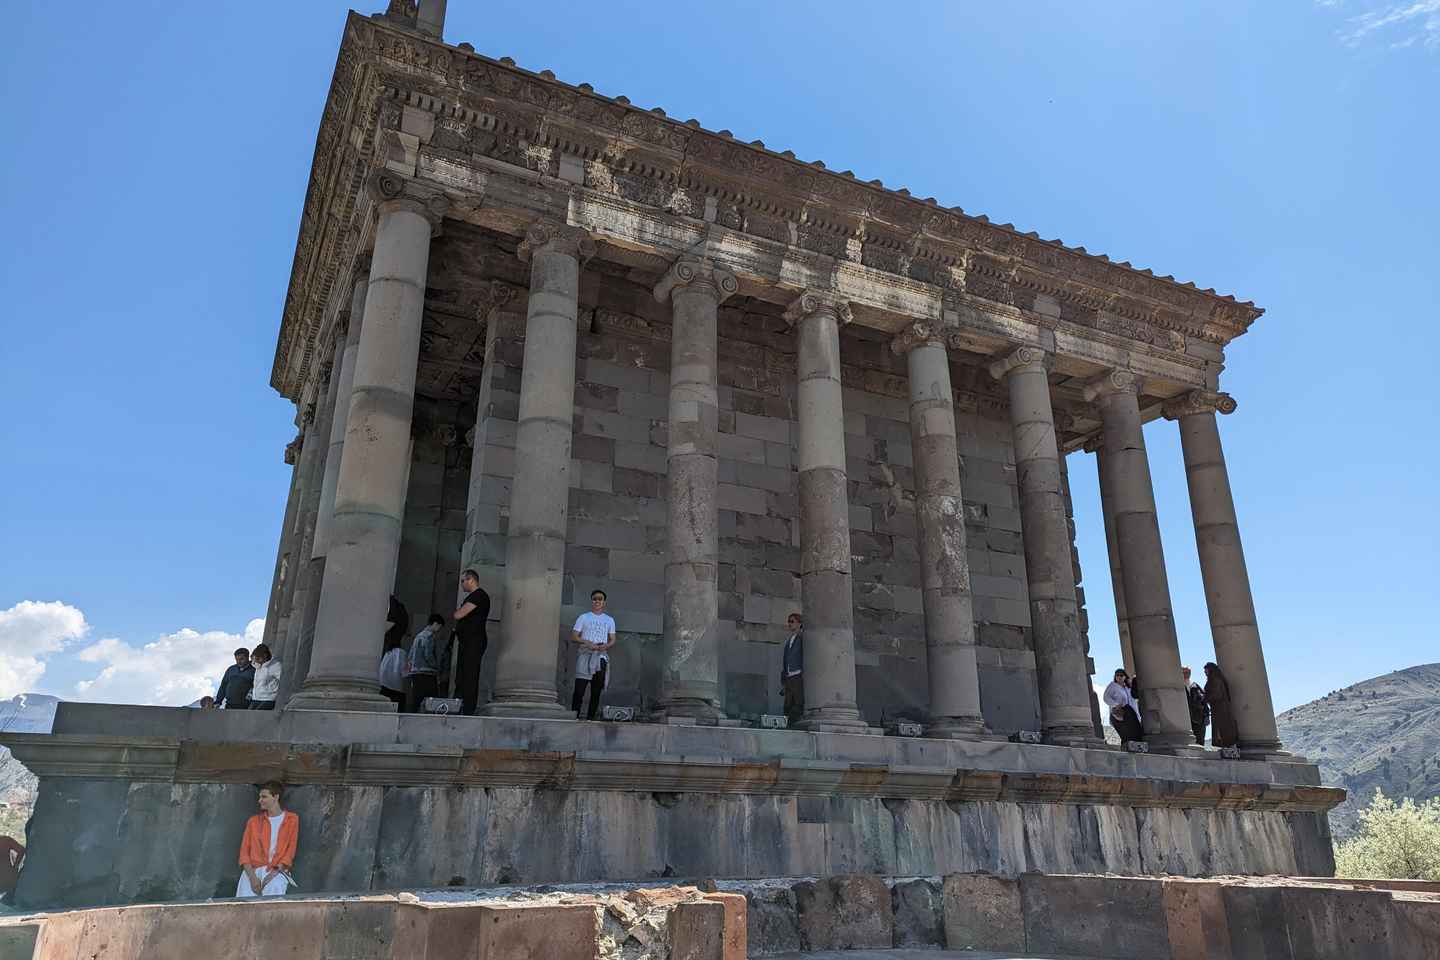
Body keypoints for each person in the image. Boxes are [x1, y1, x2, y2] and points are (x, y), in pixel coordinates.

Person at [236, 781, 298, 898]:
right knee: (244, 905)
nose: (260, 800)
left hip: (277, 870)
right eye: (260, 797)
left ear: (276, 797)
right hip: (252, 871)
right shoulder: (253, 822)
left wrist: (274, 873)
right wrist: (253, 878)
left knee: (275, 889)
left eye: (264, 797)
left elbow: (290, 851)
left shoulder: (292, 820)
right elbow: (244, 853)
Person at [570, 589, 616, 720]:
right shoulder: (584, 617)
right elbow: (574, 636)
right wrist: (587, 642)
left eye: (600, 599)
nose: (597, 601)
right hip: (585, 654)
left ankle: (590, 718)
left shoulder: (609, 620)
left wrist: (605, 646)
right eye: (595, 598)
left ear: (604, 602)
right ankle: (575, 716)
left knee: (596, 690)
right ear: (592, 601)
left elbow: (612, 639)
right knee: (580, 689)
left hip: (600, 656)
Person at [453, 570, 491, 715]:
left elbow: (459, 614)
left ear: (471, 580)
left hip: (474, 641)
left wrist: (458, 612)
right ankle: (460, 705)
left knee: (470, 675)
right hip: (467, 641)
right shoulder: (474, 596)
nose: (461, 584)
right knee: (463, 675)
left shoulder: (479, 595)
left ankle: (468, 708)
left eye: (463, 580)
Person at [406, 614, 448, 712]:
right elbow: (428, 655)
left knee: (416, 700)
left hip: (416, 672)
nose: (439, 630)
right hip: (427, 673)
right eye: (439, 627)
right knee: (432, 701)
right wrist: (436, 666)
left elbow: (410, 656)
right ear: (435, 624)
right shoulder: (429, 636)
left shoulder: (418, 636)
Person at [1204, 662, 1239, 748]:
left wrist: (1205, 698)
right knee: (1222, 730)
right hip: (1218, 709)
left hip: (1221, 710)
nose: (1205, 673)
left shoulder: (1216, 680)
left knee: (1223, 730)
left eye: (1206, 671)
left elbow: (1217, 695)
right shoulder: (1214, 680)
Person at [1103, 668, 1144, 743]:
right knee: (1126, 734)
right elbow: (1106, 697)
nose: (1119, 677)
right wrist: (1115, 704)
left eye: (1121, 675)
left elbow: (1133, 701)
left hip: (1131, 714)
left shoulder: (1128, 688)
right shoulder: (1113, 686)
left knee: (1135, 732)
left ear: (1125, 677)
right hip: (1119, 713)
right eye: (1117, 675)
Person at [780, 612, 804, 726]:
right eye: (788, 621)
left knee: (797, 702)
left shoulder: (802, 637)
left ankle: (795, 723)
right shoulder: (789, 640)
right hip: (789, 676)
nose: (789, 624)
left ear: (799, 623)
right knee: (787, 704)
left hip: (798, 674)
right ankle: (788, 724)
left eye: (792, 621)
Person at [378, 632, 407, 708]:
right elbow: (403, 670)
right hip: (395, 688)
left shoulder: (388, 652)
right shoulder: (401, 652)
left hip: (383, 685)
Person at [248, 644, 281, 710]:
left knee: (256, 716)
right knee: (248, 715)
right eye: (255, 659)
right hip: (256, 698)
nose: (256, 661)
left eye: (258, 658)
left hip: (268, 699)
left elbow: (283, 680)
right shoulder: (257, 665)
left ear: (265, 656)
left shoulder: (275, 666)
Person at [1183, 666, 1209, 745]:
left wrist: (1206, 716)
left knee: (1199, 742)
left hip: (1198, 719)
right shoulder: (1179, 687)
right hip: (1186, 720)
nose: (1186, 674)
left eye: (1187, 672)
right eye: (1184, 672)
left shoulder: (1195, 686)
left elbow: (1204, 701)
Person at [0, 835, 25, 900]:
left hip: (8, 879)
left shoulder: (5, 840)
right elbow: (21, 850)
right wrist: (16, 866)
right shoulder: (6, 840)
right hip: (10, 878)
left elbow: (21, 850)